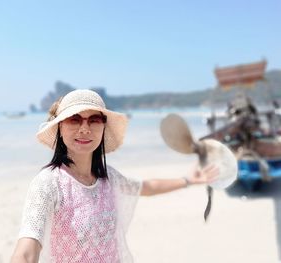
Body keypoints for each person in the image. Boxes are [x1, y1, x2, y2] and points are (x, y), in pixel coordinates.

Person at [11, 89, 219, 263]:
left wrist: (190, 180)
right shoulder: (48, 183)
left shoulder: (107, 178)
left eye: (94, 120)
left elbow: (145, 187)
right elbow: (28, 246)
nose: (85, 129)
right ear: (60, 127)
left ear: (103, 127)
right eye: (74, 119)